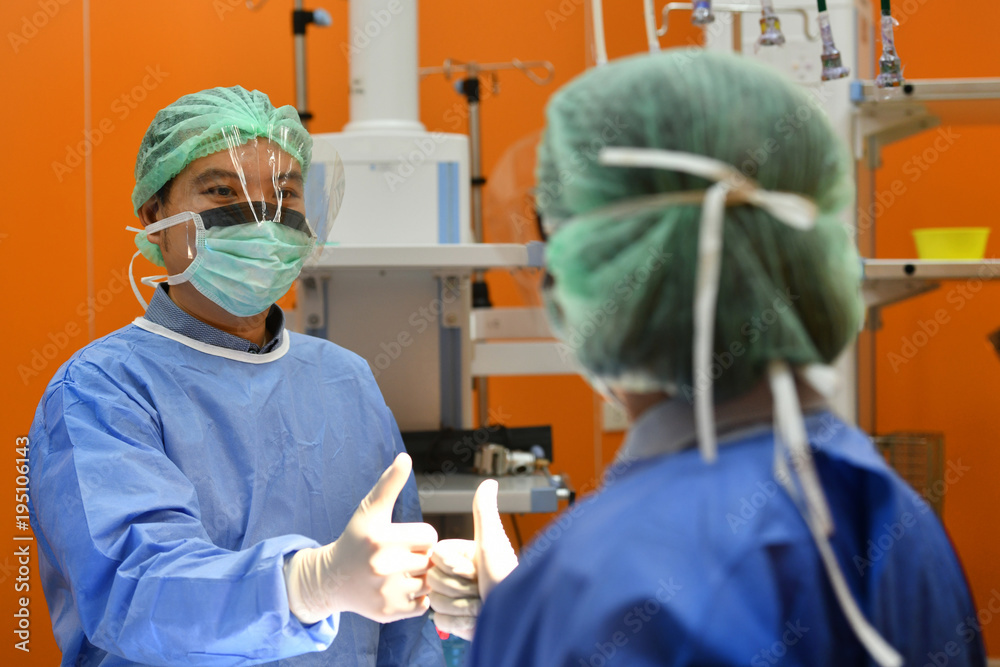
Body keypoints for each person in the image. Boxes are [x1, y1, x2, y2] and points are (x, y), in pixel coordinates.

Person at [427, 50, 986, 666]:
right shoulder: (896, 521)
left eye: (554, 237)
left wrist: (531, 618)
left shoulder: (593, 582)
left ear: (608, 263)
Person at [27, 86, 445, 666]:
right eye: (222, 190)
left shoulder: (345, 379)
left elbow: (405, 626)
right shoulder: (101, 389)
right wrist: (306, 584)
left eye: (285, 193)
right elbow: (138, 591)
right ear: (155, 218)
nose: (261, 220)